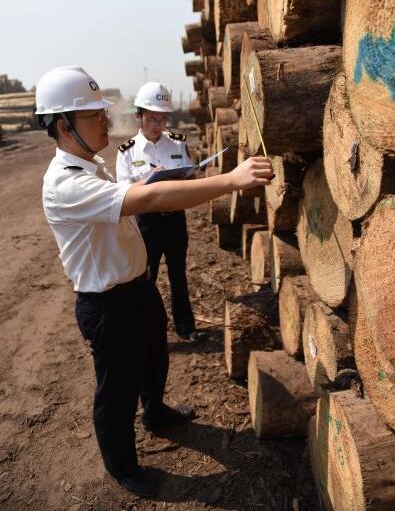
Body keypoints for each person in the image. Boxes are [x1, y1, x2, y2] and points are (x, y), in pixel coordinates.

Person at [37, 66, 274, 498]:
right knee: (117, 387)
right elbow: (144, 199)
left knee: (153, 357)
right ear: (62, 124)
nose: (106, 119)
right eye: (93, 115)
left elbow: (144, 185)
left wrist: (157, 176)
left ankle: (157, 412)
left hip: (136, 289)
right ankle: (123, 466)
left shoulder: (90, 167)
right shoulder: (64, 184)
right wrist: (229, 181)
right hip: (106, 304)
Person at [116, 81, 205, 342]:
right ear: (138, 116)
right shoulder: (127, 152)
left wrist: (189, 177)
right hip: (147, 224)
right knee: (146, 278)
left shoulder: (177, 143)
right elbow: (123, 192)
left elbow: (188, 176)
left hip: (175, 219)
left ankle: (185, 328)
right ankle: (145, 332)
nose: (158, 125)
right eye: (152, 119)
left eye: (163, 119)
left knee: (179, 274)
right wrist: (147, 181)